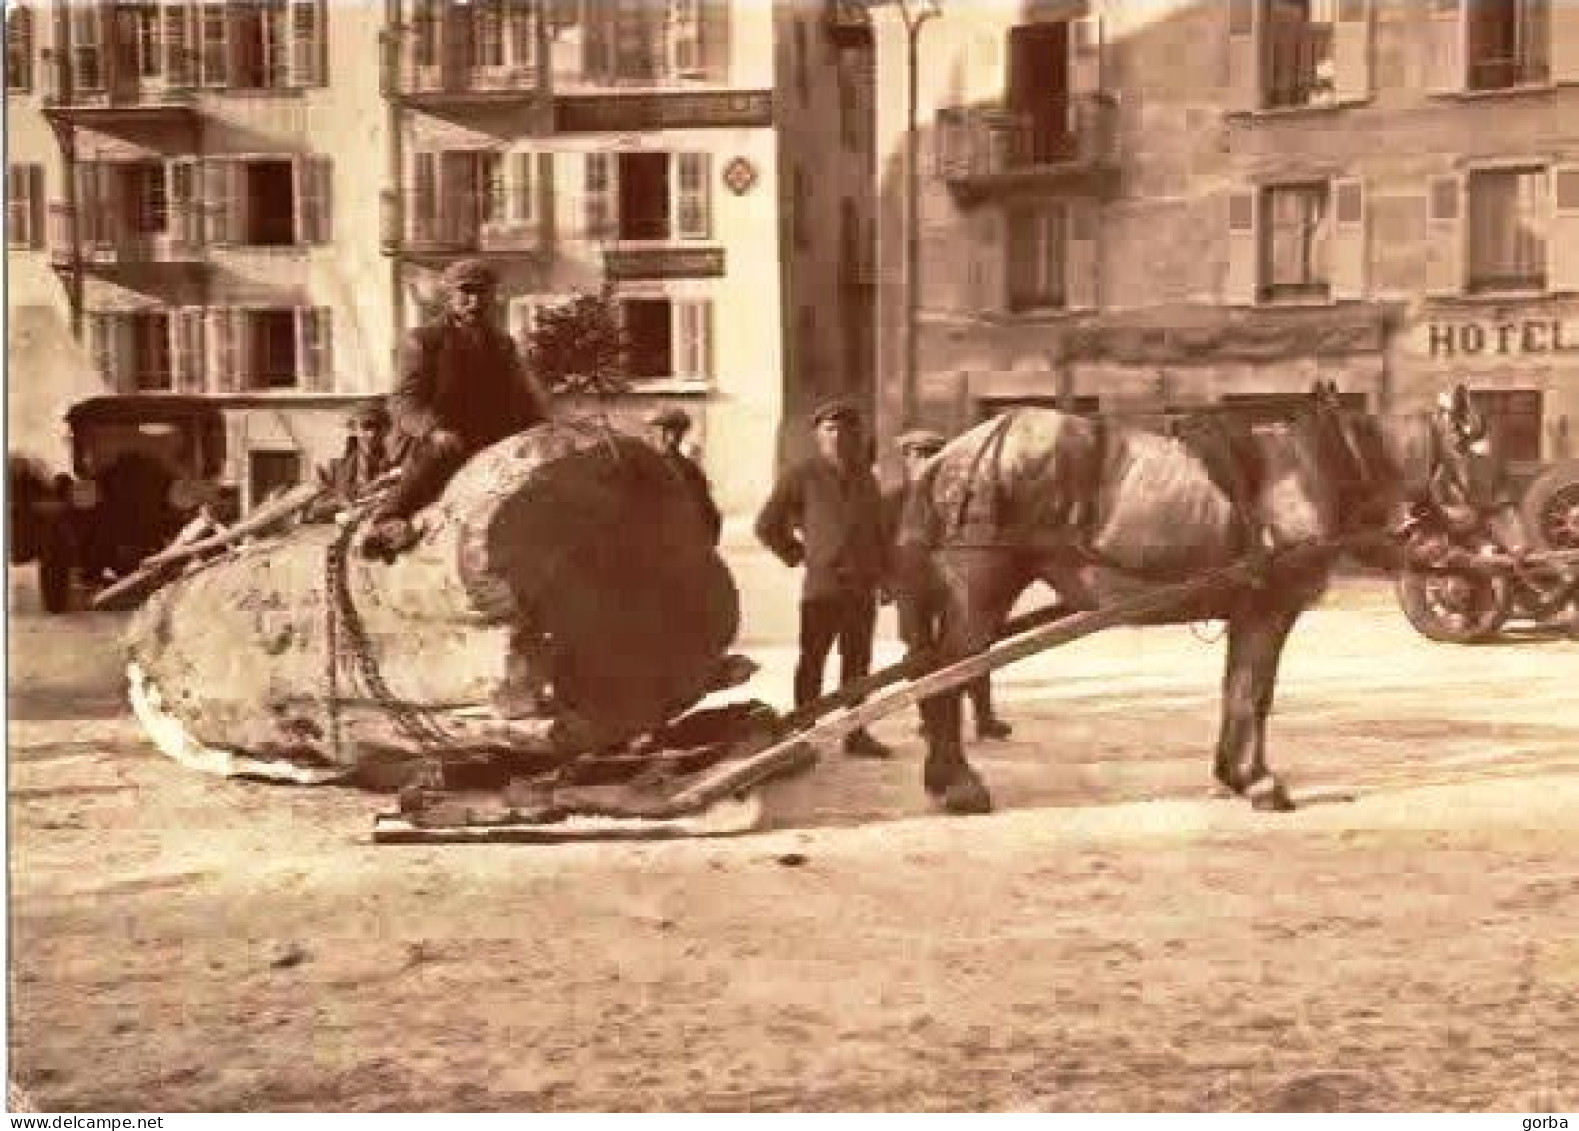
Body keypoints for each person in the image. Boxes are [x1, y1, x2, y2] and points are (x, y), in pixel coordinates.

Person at [362, 258, 553, 559]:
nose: (474, 301)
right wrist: (433, 429)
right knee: (441, 450)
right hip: (435, 438)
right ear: (449, 295)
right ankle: (387, 520)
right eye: (466, 292)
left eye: (482, 293)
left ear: (493, 296)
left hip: (488, 436)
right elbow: (402, 401)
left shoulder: (503, 345)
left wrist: (543, 427)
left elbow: (523, 399)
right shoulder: (424, 341)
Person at [756, 399, 892, 758]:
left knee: (858, 661)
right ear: (817, 435)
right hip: (823, 586)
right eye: (830, 429)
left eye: (847, 430)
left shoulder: (867, 478)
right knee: (813, 658)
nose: (839, 437)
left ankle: (856, 732)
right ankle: (805, 733)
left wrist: (887, 577)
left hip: (862, 585)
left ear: (857, 436)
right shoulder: (802, 475)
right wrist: (800, 556)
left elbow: (880, 532)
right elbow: (767, 525)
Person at [884, 429, 1012, 741]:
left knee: (973, 647)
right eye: (919, 455)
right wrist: (885, 583)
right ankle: (931, 720)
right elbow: (876, 546)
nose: (927, 461)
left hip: (953, 585)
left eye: (934, 455)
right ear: (907, 460)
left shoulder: (959, 498)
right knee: (920, 654)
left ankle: (984, 717)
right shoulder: (891, 501)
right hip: (911, 589)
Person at [304, 401, 395, 523]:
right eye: (366, 427)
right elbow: (315, 511)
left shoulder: (395, 467)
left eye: (378, 428)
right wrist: (345, 503)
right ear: (354, 429)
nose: (372, 434)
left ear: (386, 431)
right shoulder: (336, 468)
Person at [646, 406, 722, 545]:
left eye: (652, 431)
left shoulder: (688, 470)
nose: (648, 437)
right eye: (650, 432)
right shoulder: (643, 468)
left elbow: (708, 514)